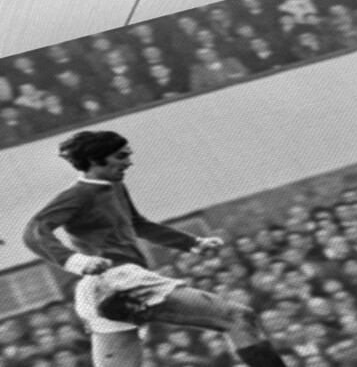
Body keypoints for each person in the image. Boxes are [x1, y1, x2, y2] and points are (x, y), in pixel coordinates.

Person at [23, 131, 288, 367]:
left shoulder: (115, 185)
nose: (129, 162)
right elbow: (34, 231)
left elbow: (138, 224)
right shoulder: (78, 195)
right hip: (119, 279)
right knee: (238, 317)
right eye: (121, 156)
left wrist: (193, 244)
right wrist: (75, 261)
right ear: (94, 160)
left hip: (101, 290)